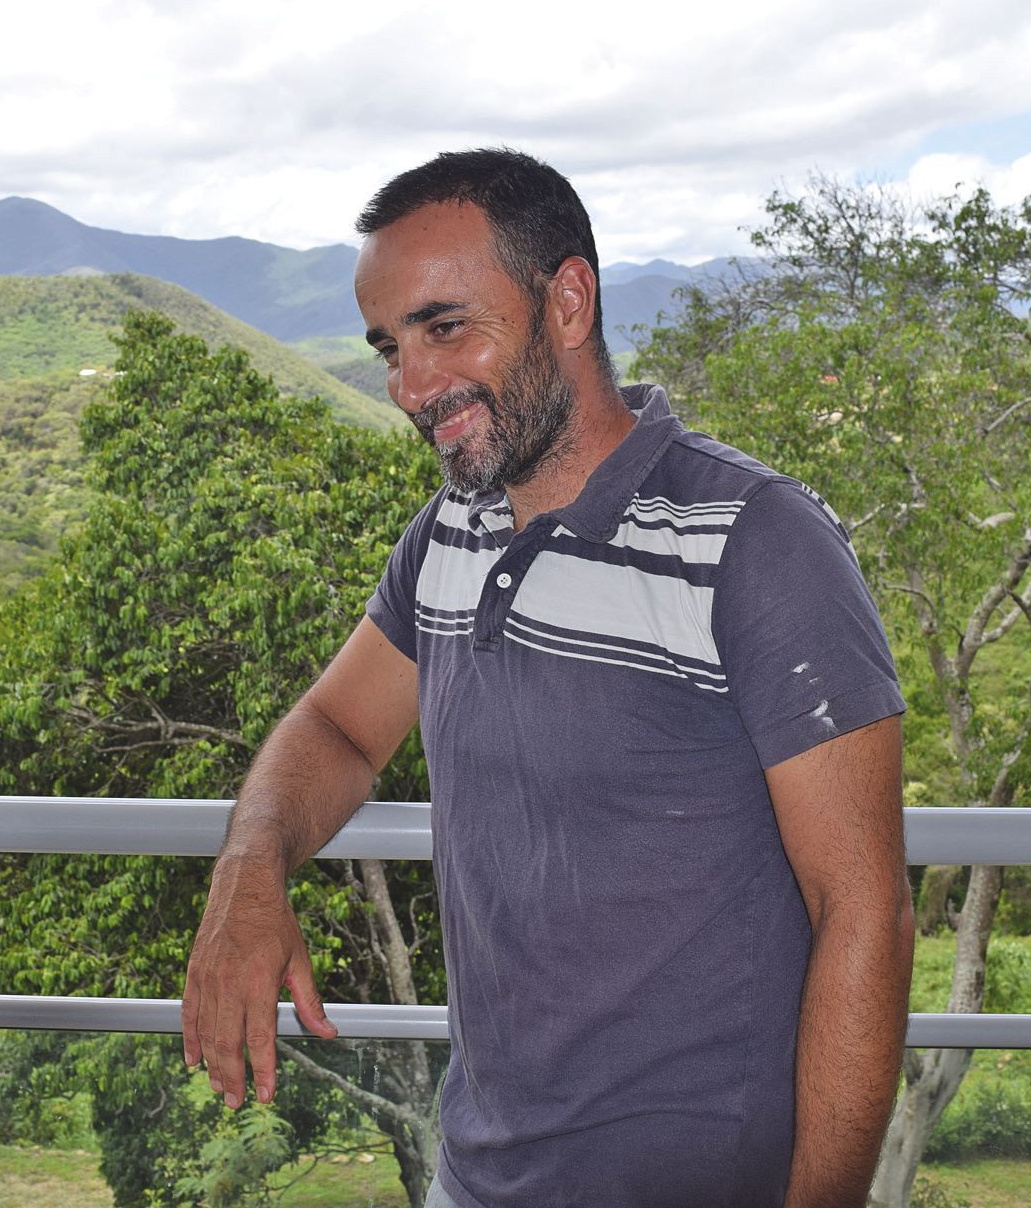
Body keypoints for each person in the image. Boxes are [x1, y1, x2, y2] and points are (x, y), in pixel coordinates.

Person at [182, 148, 914, 1208]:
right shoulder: (448, 534)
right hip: (475, 1176)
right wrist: (248, 872)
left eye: (445, 327)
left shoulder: (748, 540)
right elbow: (340, 727)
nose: (410, 386)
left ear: (566, 301)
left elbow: (862, 911)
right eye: (389, 346)